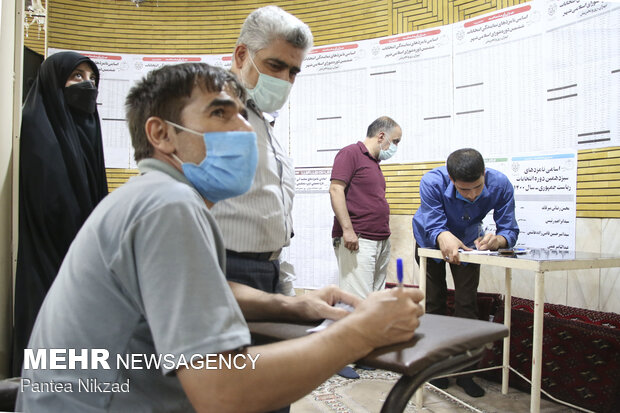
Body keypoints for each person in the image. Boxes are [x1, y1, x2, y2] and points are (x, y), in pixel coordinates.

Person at [17, 63, 425, 413]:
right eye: (220, 113)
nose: (244, 129)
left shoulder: (151, 196)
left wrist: (294, 305)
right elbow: (222, 391)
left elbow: (197, 288)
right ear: (162, 135)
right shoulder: (167, 205)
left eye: (243, 115)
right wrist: (359, 332)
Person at [13, 51, 108, 376]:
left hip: (83, 265)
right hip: (51, 261)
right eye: (77, 77)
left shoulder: (86, 124)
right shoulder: (39, 129)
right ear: (55, 83)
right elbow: (54, 208)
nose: (87, 85)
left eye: (92, 78)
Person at [211, 5, 311, 295]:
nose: (284, 80)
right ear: (242, 55)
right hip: (225, 267)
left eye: (293, 71)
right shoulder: (206, 108)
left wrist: (281, 276)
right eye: (275, 66)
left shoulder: (260, 117)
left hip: (266, 267)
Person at [412, 147, 519, 397]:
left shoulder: (501, 184)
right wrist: (442, 235)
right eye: (464, 189)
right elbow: (433, 223)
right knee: (433, 304)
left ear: (484, 173)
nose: (472, 195)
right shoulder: (432, 182)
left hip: (470, 244)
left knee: (466, 305)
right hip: (429, 242)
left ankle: (465, 373)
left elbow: (510, 229)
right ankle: (435, 369)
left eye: (478, 187)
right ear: (451, 180)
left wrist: (499, 241)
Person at [330, 116, 402, 299]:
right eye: (395, 141)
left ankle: (373, 329)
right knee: (357, 301)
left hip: (379, 239)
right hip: (358, 239)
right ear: (381, 136)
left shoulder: (374, 163)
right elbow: (336, 190)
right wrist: (347, 230)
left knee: (375, 301)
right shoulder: (350, 153)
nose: (395, 147)